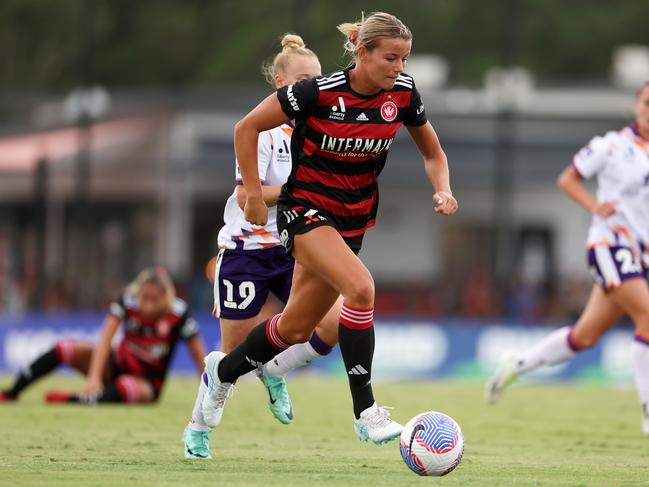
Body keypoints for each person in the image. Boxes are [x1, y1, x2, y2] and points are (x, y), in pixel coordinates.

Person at [199, 11, 457, 449]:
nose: (399, 68)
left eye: (404, 59)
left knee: (294, 330)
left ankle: (220, 374)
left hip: (352, 221)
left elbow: (433, 153)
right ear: (362, 53)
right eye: (390, 58)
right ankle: (366, 413)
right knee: (361, 288)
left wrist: (443, 189)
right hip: (305, 212)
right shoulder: (316, 93)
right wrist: (257, 197)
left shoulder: (404, 95)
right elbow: (246, 128)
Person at [183, 34, 341, 460]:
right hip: (247, 248)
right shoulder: (262, 129)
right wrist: (301, 188)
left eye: (318, 79)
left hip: (295, 246)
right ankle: (199, 425)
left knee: (335, 323)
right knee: (231, 355)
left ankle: (275, 370)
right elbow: (248, 196)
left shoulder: (321, 130)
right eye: (304, 79)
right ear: (280, 82)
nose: (313, 87)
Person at [486, 82, 649, 436]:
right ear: (636, 105)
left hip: (641, 255)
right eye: (647, 103)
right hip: (610, 247)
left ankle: (517, 364)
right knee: (647, 315)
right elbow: (568, 179)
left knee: (585, 337)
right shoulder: (611, 145)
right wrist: (595, 206)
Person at [0, 267, 206, 404]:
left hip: (147, 383)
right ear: (139, 293)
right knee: (66, 347)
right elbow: (106, 337)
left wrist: (207, 392)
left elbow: (198, 354)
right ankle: (12, 391)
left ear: (165, 297)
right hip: (115, 365)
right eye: (145, 298)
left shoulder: (178, 313)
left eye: (155, 299)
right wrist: (95, 378)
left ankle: (73, 400)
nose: (149, 305)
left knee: (126, 387)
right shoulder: (128, 300)